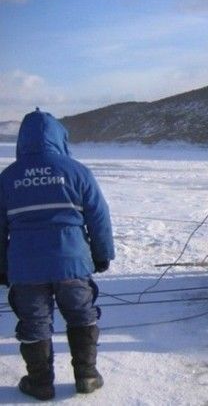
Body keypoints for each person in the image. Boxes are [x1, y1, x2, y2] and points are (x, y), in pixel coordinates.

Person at [0, 109, 115, 400]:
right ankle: (87, 375)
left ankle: (40, 383)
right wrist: (102, 254)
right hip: (72, 262)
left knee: (34, 322)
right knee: (80, 314)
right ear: (59, 137)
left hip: (26, 268)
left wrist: (1, 266)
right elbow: (99, 216)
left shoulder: (8, 177)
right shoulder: (77, 171)